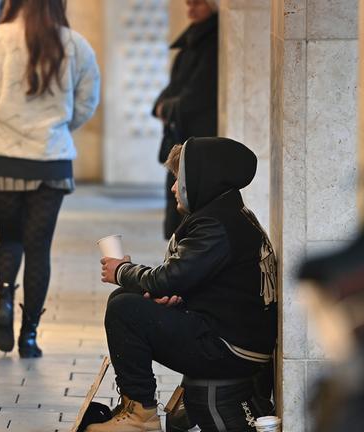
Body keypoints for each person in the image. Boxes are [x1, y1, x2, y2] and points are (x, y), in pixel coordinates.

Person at [91, 137, 278, 431]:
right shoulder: (227, 213)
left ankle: (141, 416)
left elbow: (168, 278)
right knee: (123, 299)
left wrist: (122, 270)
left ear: (204, 179)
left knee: (124, 309)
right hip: (231, 337)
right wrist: (175, 295)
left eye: (180, 179)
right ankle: (134, 406)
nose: (173, 188)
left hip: (231, 350)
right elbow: (191, 279)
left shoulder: (216, 224)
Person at [0, 0, 100, 358]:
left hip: (1, 158)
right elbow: (87, 102)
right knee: (39, 249)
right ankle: (30, 336)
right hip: (50, 161)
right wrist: (57, 125)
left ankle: (5, 300)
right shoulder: (76, 45)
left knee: (9, 239)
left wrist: (3, 103)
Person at [153, 0, 219, 239]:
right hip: (182, 135)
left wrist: (166, 108)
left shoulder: (212, 42)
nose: (191, 9)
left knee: (189, 199)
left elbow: (198, 92)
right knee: (177, 196)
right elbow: (175, 86)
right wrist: (161, 106)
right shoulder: (193, 39)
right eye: (189, 3)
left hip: (198, 135)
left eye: (198, 3)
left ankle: (184, 249)